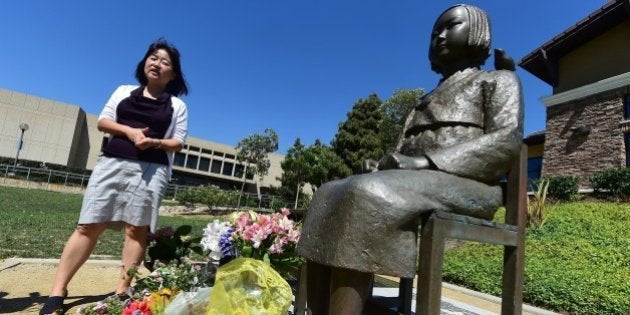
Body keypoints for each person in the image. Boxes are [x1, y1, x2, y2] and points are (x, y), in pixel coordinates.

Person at [296, 4, 523, 314]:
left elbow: (506, 141)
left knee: (366, 193)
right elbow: (402, 154)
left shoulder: (498, 80)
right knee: (326, 194)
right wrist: (381, 165)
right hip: (416, 181)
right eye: (434, 33)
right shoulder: (424, 100)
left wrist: (426, 162)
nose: (440, 36)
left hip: (471, 184)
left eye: (451, 26)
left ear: (476, 32)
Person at [40, 38, 189, 315]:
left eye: (165, 61)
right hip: (111, 164)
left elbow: (178, 142)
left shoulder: (177, 106)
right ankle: (58, 291)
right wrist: (130, 132)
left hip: (151, 171)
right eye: (153, 57)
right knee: (88, 225)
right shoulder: (124, 91)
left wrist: (154, 142)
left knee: (137, 230)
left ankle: (122, 291)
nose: (157, 63)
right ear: (145, 62)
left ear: (174, 74)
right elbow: (103, 122)